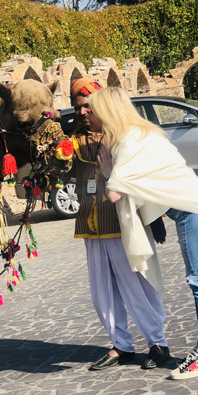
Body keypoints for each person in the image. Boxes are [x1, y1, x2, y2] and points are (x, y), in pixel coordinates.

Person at [89, 86, 198, 379]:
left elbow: (114, 193)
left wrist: (106, 171)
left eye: (92, 110)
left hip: (193, 212)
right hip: (194, 207)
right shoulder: (144, 133)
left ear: (106, 112)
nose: (89, 115)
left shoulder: (130, 141)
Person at [70, 78, 170, 371]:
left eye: (88, 107)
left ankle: (158, 342)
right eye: (79, 108)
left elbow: (149, 177)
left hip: (125, 223)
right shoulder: (74, 140)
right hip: (91, 223)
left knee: (139, 285)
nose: (83, 113)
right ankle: (120, 346)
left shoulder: (128, 136)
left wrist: (155, 216)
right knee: (102, 291)